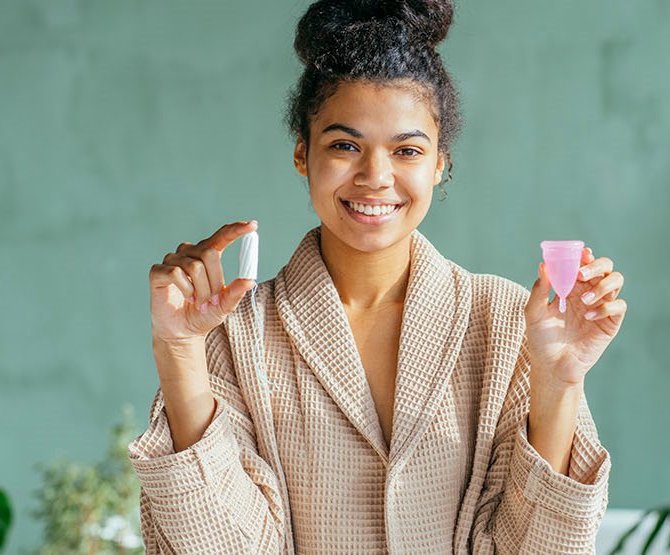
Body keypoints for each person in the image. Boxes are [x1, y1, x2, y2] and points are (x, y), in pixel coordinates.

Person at [130, 0, 628, 552]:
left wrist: (558, 382)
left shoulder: (510, 323)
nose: (375, 176)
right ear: (302, 152)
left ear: (439, 162)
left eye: (407, 150)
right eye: (345, 145)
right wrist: (177, 350)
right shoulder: (232, 333)